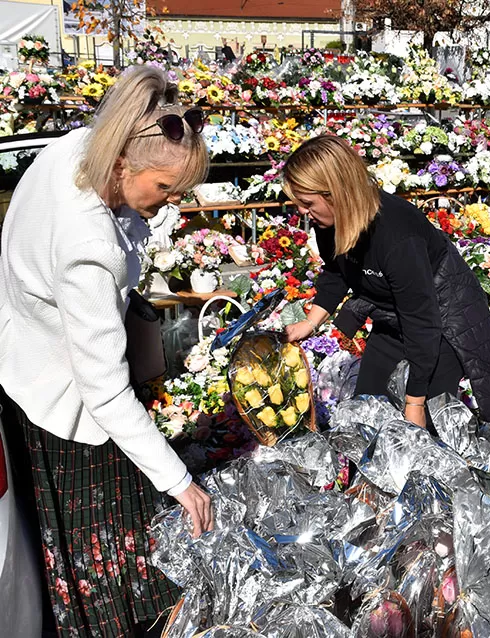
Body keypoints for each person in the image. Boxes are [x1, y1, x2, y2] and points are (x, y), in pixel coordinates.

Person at [0, 66, 213, 636]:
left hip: (27, 364)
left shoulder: (78, 148)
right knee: (101, 556)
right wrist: (179, 481)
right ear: (123, 161)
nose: (167, 203)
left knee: (80, 549)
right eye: (164, 188)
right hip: (67, 406)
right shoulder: (88, 246)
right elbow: (106, 394)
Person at [283, 136, 490, 431]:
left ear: (336, 193)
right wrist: (310, 322)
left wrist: (415, 402)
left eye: (307, 203)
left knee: (424, 435)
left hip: (441, 327)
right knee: (368, 415)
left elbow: (422, 322)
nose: (302, 212)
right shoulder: (330, 222)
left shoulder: (396, 236)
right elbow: (337, 271)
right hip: (390, 320)